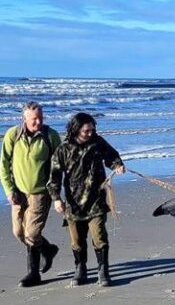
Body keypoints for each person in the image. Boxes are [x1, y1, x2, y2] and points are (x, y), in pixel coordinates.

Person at [47, 112, 125, 287]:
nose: (91, 133)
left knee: (99, 236)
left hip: (96, 200)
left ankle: (103, 271)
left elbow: (111, 156)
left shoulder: (97, 143)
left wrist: (118, 165)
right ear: (76, 130)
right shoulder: (63, 149)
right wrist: (56, 199)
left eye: (92, 129)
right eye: (86, 131)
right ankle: (80, 269)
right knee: (77, 240)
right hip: (74, 204)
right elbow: (54, 177)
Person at [0, 101, 62, 287]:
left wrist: (56, 193)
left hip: (40, 193)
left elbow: (58, 167)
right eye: (34, 119)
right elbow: (3, 164)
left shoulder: (50, 136)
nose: (38, 122)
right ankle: (48, 249)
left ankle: (33, 274)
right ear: (24, 119)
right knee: (18, 232)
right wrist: (9, 190)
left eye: (41, 118)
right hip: (18, 193)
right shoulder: (13, 134)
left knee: (32, 234)